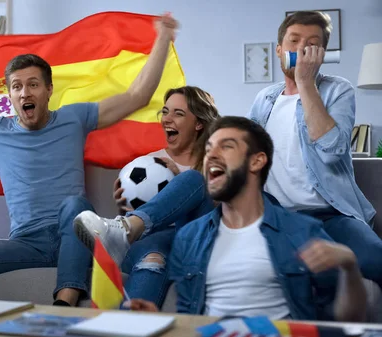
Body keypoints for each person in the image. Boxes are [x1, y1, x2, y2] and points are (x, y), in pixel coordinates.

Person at [0, 13, 179, 300]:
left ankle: (66, 298)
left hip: (76, 236)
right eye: (17, 86)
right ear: (9, 96)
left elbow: (137, 95)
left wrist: (163, 38)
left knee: (75, 204)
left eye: (34, 84)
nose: (25, 91)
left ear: (49, 90)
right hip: (27, 243)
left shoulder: (74, 117)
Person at [127, 116, 367, 322]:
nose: (211, 156)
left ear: (256, 161)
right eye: (209, 149)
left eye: (226, 147)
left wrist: (349, 267)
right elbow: (191, 319)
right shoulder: (191, 237)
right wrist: (163, 321)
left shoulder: (301, 232)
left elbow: (347, 319)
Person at [247, 10, 382, 289]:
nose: (301, 49)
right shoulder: (264, 99)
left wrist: (305, 83)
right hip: (280, 215)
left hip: (332, 212)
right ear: (279, 49)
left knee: (375, 259)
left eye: (311, 44)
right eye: (294, 41)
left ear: (321, 52)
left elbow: (332, 151)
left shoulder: (338, 90)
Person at [55, 86, 219, 308]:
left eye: (178, 113)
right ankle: (125, 327)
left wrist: (181, 176)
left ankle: (125, 228)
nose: (167, 119)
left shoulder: (216, 163)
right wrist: (123, 209)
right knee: (153, 258)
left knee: (193, 180)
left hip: (195, 239)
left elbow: (225, 210)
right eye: (165, 111)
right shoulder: (146, 165)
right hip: (154, 242)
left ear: (199, 123)